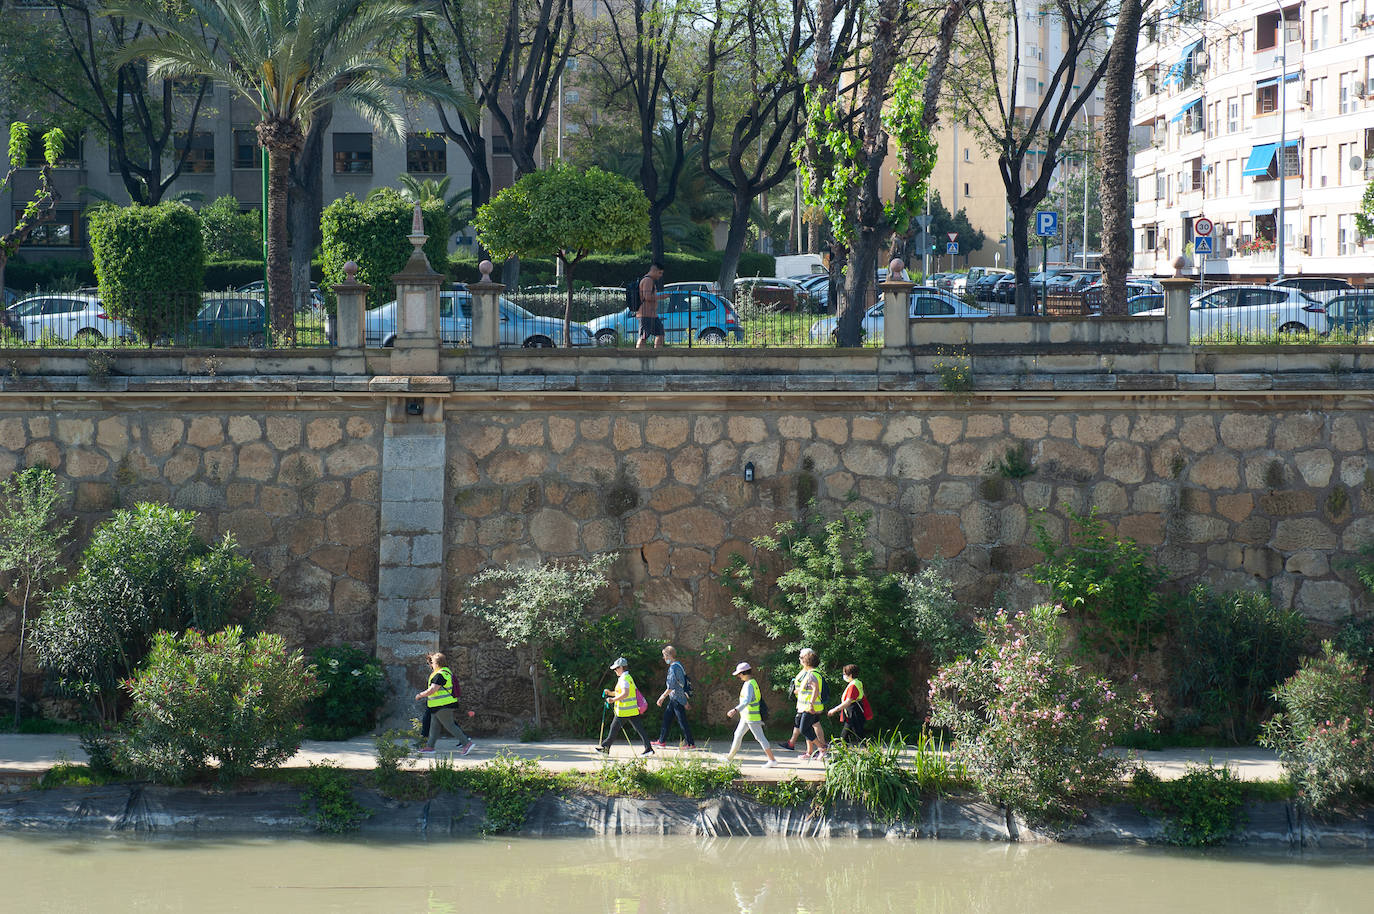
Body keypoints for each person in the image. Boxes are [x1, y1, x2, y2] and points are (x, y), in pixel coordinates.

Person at [415, 651, 474, 756]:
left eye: (432, 662)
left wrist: (420, 695)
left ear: (437, 663)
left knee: (450, 725)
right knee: (434, 727)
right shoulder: (447, 672)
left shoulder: (439, 675)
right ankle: (430, 747)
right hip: (439, 705)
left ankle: (467, 743)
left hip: (443, 705)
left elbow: (433, 690)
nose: (431, 664)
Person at [597, 656, 654, 756]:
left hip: (624, 711)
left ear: (621, 668)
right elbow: (621, 692)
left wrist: (612, 700)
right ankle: (648, 748)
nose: (615, 671)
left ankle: (605, 748)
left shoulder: (624, 679)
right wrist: (610, 693)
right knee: (639, 729)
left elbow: (625, 694)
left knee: (614, 729)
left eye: (615, 669)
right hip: (631, 710)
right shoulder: (627, 678)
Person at [725, 662, 777, 767]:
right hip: (746, 717)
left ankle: (772, 760)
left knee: (760, 738)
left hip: (752, 717)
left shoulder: (749, 684)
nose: (739, 677)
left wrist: (735, 710)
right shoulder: (752, 683)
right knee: (738, 735)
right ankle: (729, 758)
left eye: (739, 674)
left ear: (743, 673)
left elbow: (746, 701)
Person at [781, 648, 828, 760]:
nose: (800, 660)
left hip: (809, 708)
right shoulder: (811, 673)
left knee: (804, 729)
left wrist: (811, 704)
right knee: (808, 728)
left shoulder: (811, 674)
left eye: (802, 658)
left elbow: (815, 690)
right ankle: (811, 752)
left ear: (806, 662)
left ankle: (822, 748)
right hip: (806, 707)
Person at [653, 645, 695, 749]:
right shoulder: (679, 665)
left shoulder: (673, 668)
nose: (664, 658)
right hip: (676, 698)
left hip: (676, 698)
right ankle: (661, 741)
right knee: (667, 719)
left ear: (669, 655)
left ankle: (690, 744)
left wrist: (662, 697)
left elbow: (671, 686)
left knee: (682, 721)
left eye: (664, 656)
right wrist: (685, 701)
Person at [828, 663, 870, 743]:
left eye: (844, 674)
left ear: (850, 675)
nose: (844, 676)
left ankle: (867, 751)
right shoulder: (857, 682)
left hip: (854, 711)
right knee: (846, 734)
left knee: (858, 733)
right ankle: (844, 750)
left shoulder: (853, 685)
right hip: (852, 711)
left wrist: (834, 710)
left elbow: (848, 701)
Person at [636, 262, 665, 349]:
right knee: (644, 336)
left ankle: (657, 354)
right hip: (645, 314)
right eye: (660, 273)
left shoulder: (650, 281)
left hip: (652, 315)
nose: (660, 276)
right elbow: (647, 297)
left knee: (660, 333)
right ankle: (638, 355)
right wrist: (661, 296)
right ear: (654, 271)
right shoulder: (648, 280)